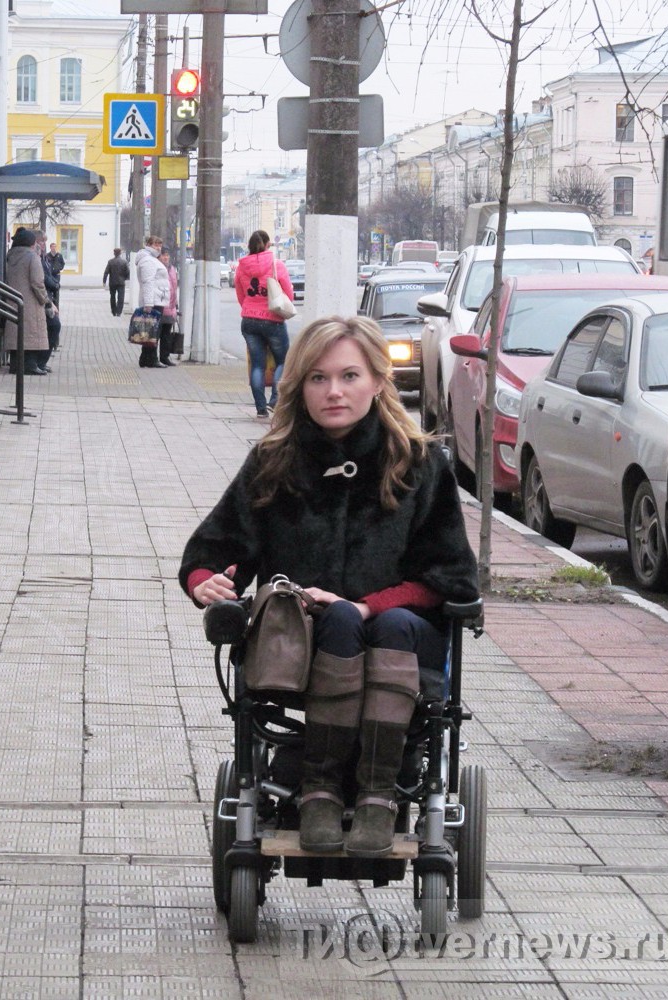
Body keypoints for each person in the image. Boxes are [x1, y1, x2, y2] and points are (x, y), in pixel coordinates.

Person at [179, 316, 477, 858]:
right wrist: (208, 582)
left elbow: (451, 576)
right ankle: (317, 792)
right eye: (317, 378)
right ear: (299, 386)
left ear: (378, 382)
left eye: (348, 376)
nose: (333, 392)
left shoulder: (420, 463)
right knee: (335, 620)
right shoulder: (275, 463)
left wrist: (365, 606)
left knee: (384, 621)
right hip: (300, 638)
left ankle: (377, 795)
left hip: (403, 637)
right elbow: (216, 549)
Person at [235, 231, 293, 417]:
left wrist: (250, 308)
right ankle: (274, 401)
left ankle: (260, 407)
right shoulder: (276, 265)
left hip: (249, 320)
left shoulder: (241, 267)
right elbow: (288, 292)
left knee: (257, 365)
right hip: (273, 320)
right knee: (283, 361)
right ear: (268, 245)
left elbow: (240, 294)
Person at [3, 228, 54, 375]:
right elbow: (38, 283)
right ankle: (31, 365)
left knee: (17, 332)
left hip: (13, 302)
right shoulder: (32, 257)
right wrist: (46, 301)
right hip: (31, 303)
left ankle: (16, 365)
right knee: (32, 333)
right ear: (31, 244)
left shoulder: (10, 256)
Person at [134, 235, 170, 368]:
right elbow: (148, 282)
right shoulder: (148, 260)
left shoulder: (151, 259)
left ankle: (146, 358)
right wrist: (148, 303)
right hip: (153, 301)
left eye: (160, 245)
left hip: (157, 299)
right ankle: (151, 358)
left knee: (151, 331)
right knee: (153, 331)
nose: (158, 248)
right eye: (156, 245)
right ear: (148, 245)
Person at [158, 248, 180, 366]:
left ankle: (164, 357)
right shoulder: (158, 268)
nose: (166, 257)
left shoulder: (172, 269)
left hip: (170, 306)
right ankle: (153, 357)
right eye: (163, 255)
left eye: (167, 255)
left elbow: (174, 287)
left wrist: (175, 303)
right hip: (160, 305)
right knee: (157, 333)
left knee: (166, 334)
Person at [103, 248, 130, 316]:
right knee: (121, 297)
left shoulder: (110, 262)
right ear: (120, 253)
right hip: (121, 282)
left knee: (112, 297)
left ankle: (113, 311)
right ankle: (119, 311)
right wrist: (126, 278)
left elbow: (106, 272)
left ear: (114, 253)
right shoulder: (124, 262)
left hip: (112, 282)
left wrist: (104, 281)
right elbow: (128, 271)